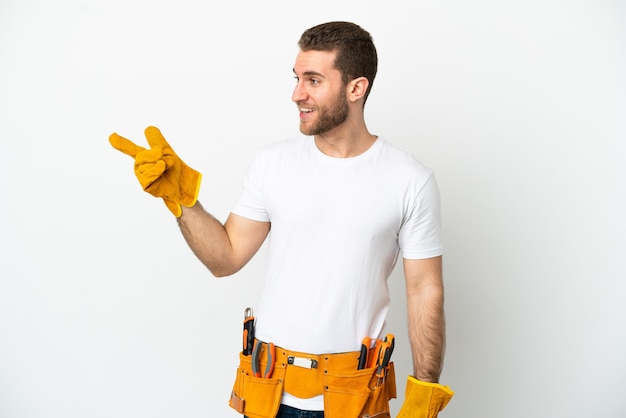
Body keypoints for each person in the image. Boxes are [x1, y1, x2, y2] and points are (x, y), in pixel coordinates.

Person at [109, 21, 453, 418]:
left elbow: (425, 290)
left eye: (313, 80)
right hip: (268, 395)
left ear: (356, 88)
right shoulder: (273, 164)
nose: (297, 94)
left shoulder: (410, 179)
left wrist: (424, 395)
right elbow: (226, 258)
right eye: (297, 78)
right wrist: (182, 201)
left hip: (356, 401)